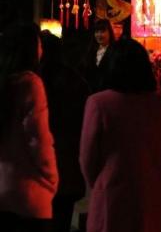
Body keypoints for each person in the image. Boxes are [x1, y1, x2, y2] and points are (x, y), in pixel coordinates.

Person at [79, 39, 161, 232]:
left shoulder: (99, 104)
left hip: (113, 197)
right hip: (155, 197)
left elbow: (87, 159)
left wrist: (103, 182)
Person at [0, 23, 58, 232]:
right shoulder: (30, 83)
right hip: (27, 192)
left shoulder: (5, 81)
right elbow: (38, 139)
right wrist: (51, 179)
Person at [39, 32, 90, 232]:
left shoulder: (32, 81)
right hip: (68, 158)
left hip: (42, 160)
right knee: (62, 215)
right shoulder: (76, 81)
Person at [82, 19, 116, 94]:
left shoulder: (116, 51)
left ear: (110, 33)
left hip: (109, 93)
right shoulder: (91, 51)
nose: (99, 35)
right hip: (92, 93)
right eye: (97, 32)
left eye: (102, 31)